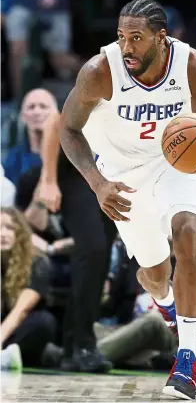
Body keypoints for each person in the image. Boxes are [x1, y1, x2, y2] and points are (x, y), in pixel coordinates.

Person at [59, 0, 196, 400]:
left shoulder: (195, 66)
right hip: (122, 172)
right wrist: (98, 183)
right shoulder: (100, 71)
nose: (126, 46)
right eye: (121, 36)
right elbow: (67, 129)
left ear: (162, 37)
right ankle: (167, 303)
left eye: (136, 37)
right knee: (153, 273)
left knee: (189, 233)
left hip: (175, 164)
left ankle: (186, 357)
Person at [37, 110, 116, 373]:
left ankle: (71, 348)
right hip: (75, 173)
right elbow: (53, 122)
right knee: (93, 248)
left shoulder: (145, 93)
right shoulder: (101, 76)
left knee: (100, 259)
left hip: (111, 175)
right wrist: (48, 181)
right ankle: (83, 343)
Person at [1, 207, 58, 368]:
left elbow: (21, 311)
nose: (3, 234)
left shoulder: (37, 262)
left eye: (10, 228)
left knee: (43, 322)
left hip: (19, 328)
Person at [2, 89, 58, 185]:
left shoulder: (69, 156)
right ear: (23, 116)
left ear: (56, 114)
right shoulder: (14, 158)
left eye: (43, 106)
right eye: (31, 107)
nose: (37, 112)